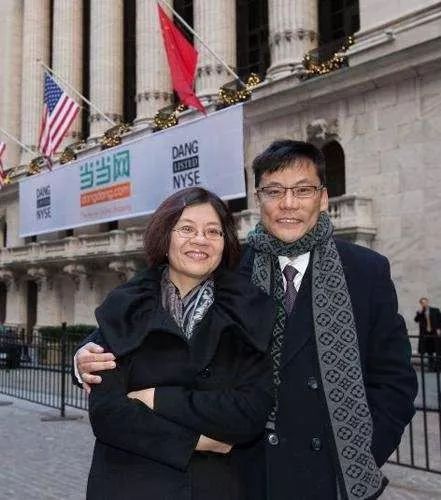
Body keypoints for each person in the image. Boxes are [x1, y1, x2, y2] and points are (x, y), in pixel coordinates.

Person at [76, 141, 418, 500]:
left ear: (323, 198)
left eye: (303, 190)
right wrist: (81, 359)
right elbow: (128, 328)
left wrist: (361, 454)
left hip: (329, 477)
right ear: (258, 199)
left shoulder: (366, 271)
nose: (288, 204)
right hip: (246, 474)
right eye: (274, 191)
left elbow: (394, 379)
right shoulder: (227, 265)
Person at [81, 187, 276, 500]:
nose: (200, 240)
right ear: (164, 236)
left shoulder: (250, 310)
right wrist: (199, 441)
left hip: (215, 489)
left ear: (225, 242)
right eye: (186, 229)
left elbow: (249, 412)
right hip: (129, 487)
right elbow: (108, 414)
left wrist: (157, 398)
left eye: (213, 231)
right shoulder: (125, 305)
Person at [415, 297, 441, 371]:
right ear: (421, 304)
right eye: (422, 303)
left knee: (438, 350)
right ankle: (431, 367)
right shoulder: (420, 312)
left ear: (427, 302)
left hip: (434, 333)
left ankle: (438, 367)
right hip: (426, 334)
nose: (424, 304)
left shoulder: (435, 310)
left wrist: (439, 329)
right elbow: (416, 320)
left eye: (425, 302)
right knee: (429, 351)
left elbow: (440, 320)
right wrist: (419, 313)